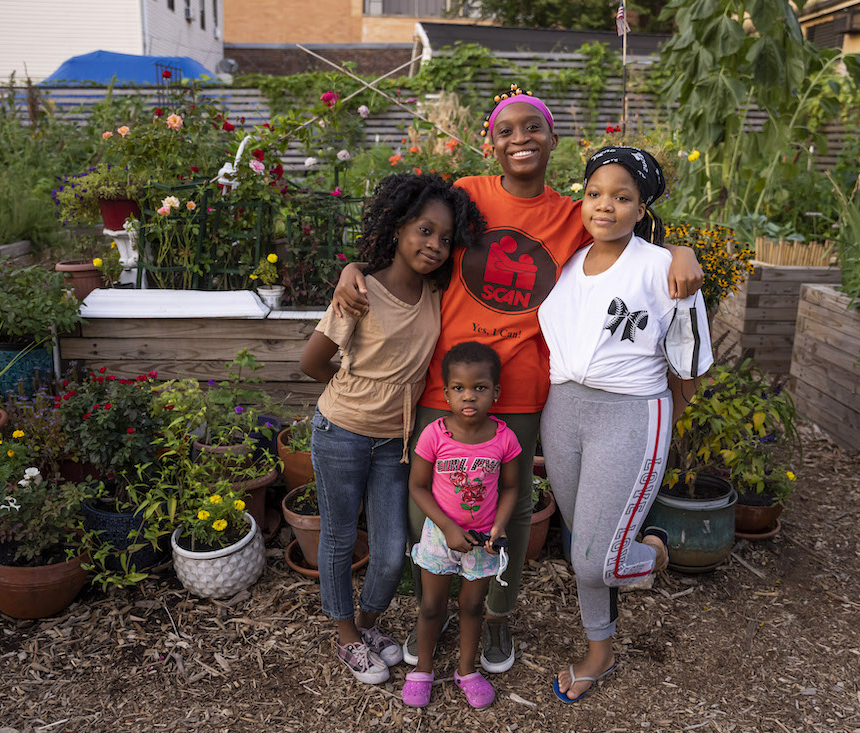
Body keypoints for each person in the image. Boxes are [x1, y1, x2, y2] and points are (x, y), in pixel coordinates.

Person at [334, 86, 705, 674]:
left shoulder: (571, 213)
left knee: (504, 509)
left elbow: (627, 243)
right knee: (426, 513)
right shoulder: (466, 198)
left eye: (533, 127)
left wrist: (679, 247)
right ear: (491, 143)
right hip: (446, 385)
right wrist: (354, 268)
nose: (520, 139)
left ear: (553, 138)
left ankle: (498, 620)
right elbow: (409, 243)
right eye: (506, 130)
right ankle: (430, 613)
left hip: (524, 391)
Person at [538, 146, 713, 702]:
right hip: (562, 412)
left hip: (630, 414)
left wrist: (661, 427)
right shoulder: (565, 265)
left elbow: (689, 365)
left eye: (622, 197)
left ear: (642, 209)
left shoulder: (664, 268)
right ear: (581, 200)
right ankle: (601, 650)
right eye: (594, 194)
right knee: (581, 548)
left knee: (597, 559)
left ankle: (656, 551)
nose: (605, 206)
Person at [299, 173, 485, 684]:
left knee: (388, 551)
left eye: (446, 239)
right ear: (399, 226)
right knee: (339, 537)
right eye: (425, 231)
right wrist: (351, 270)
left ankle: (366, 625)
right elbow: (312, 362)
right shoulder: (360, 292)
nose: (435, 245)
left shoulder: (434, 292)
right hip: (341, 431)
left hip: (394, 443)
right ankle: (345, 638)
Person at [402, 342, 521, 709]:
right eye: (459, 388)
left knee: (472, 607)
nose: (469, 396)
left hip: (484, 538)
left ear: (495, 393)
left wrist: (500, 525)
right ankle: (422, 669)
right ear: (446, 392)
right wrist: (449, 528)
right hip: (441, 534)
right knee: (431, 606)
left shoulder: (505, 438)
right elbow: (417, 486)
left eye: (479, 388)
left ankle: (467, 671)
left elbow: (512, 487)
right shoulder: (434, 435)